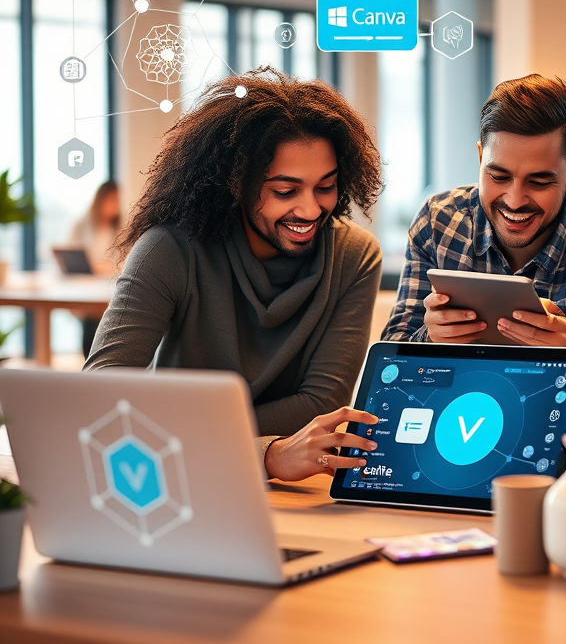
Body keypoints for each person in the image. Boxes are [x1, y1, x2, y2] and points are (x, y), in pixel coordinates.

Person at [86, 68, 383, 482]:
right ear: (236, 183)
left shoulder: (354, 255)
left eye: (325, 186)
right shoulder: (169, 249)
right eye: (285, 191)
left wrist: (179, 425)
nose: (312, 209)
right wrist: (265, 453)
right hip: (171, 474)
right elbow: (103, 390)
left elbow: (321, 402)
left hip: (290, 487)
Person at [381, 74, 566, 370]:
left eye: (539, 181)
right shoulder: (438, 223)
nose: (514, 200)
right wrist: (429, 340)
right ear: (481, 157)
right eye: (499, 176)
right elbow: (389, 369)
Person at [70, 180, 120, 356]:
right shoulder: (82, 224)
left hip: (110, 286)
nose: (113, 205)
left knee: (103, 323)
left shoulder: (123, 226)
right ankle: (89, 364)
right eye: (110, 200)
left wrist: (106, 268)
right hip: (86, 285)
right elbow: (72, 252)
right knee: (89, 320)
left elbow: (126, 260)